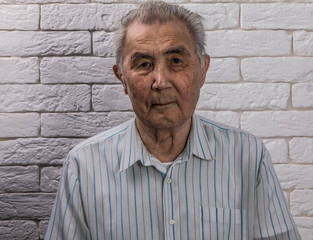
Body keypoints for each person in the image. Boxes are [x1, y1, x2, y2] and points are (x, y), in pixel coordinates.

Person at [45, 1, 301, 239]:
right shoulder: (84, 165)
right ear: (122, 78)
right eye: (144, 64)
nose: (160, 81)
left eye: (176, 61)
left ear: (202, 70)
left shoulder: (247, 156)